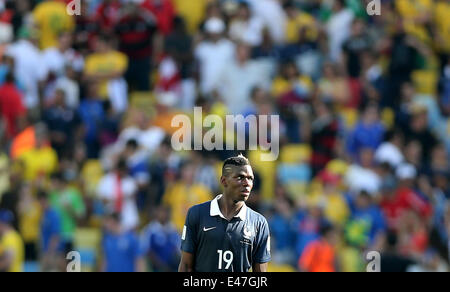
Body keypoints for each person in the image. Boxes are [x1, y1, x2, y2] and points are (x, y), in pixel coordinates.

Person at [179, 154, 271, 272]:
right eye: (240, 177)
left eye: (250, 178)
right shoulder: (197, 214)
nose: (247, 183)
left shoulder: (259, 223)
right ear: (224, 181)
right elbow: (186, 266)